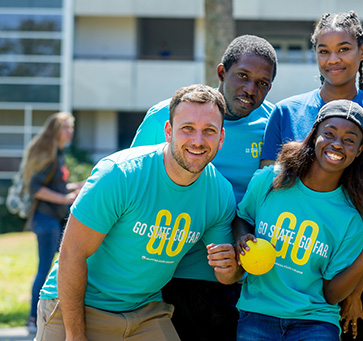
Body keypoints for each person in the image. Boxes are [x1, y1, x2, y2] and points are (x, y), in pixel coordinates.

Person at [35, 84, 242, 340]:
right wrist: (75, 336)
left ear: (221, 138)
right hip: (78, 305)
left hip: (145, 312)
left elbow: (226, 275)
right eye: (187, 128)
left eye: (209, 131)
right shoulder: (120, 174)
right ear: (169, 131)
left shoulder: (220, 193)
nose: (198, 141)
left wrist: (232, 268)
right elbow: (71, 252)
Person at [260, 11, 363, 340]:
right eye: (323, 51)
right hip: (294, 266)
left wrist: (355, 290)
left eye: (344, 49)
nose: (333, 59)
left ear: (362, 50)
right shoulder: (286, 112)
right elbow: (267, 196)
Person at [131, 34, 277, 340]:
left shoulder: (272, 125)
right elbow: (135, 185)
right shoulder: (166, 115)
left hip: (232, 276)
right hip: (164, 269)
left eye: (262, 83)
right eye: (243, 76)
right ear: (222, 73)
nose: (251, 89)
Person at [229, 100, 363, 340]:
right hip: (258, 313)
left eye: (349, 140)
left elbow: (332, 295)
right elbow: (242, 217)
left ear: (360, 150)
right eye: (329, 134)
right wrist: (242, 236)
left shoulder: (352, 219)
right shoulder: (269, 181)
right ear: (314, 136)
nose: (337, 144)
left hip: (315, 322)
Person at [21, 112, 82, 333]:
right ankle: (32, 318)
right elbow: (34, 187)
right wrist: (63, 198)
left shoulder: (58, 153)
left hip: (55, 219)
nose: (70, 132)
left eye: (71, 127)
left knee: (60, 266)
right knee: (45, 268)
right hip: (44, 219)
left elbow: (56, 186)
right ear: (54, 130)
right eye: (66, 127)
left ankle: (46, 315)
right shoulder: (46, 153)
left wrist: (74, 188)